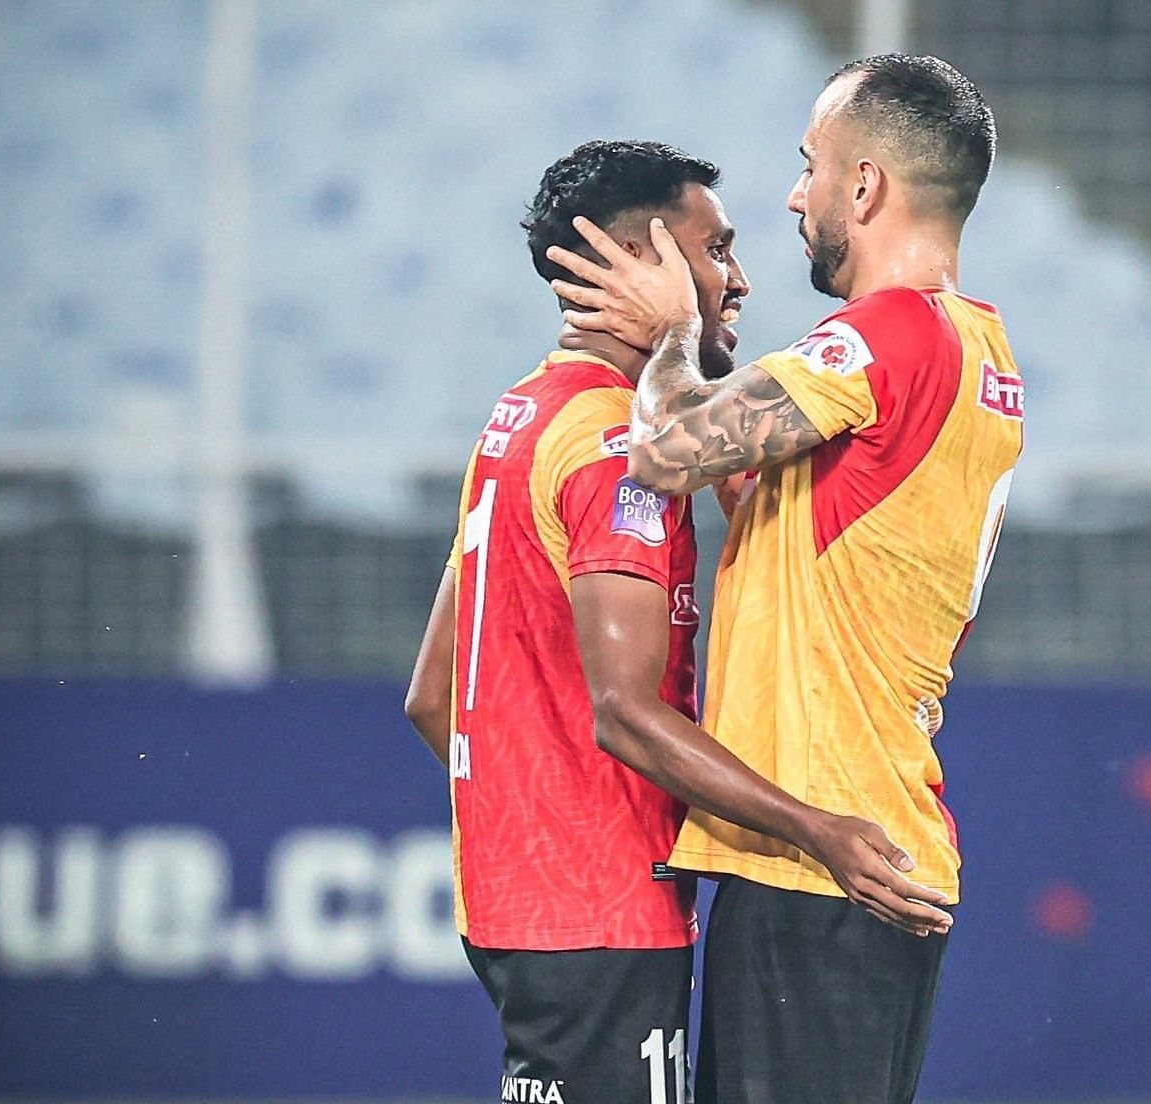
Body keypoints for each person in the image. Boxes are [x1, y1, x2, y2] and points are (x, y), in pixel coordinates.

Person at [403, 139, 950, 1104]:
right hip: (606, 912)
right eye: (716, 251)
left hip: (518, 906)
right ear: (645, 265)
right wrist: (814, 828)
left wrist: (536, 823)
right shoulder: (622, 448)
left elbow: (435, 694)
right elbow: (623, 713)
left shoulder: (521, 418)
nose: (738, 282)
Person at [547, 56, 1022, 1104]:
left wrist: (672, 328)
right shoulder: (974, 349)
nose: (796, 196)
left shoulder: (885, 334)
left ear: (865, 189)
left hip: (829, 857)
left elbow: (664, 454)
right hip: (859, 851)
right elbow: (771, 505)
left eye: (809, 167)